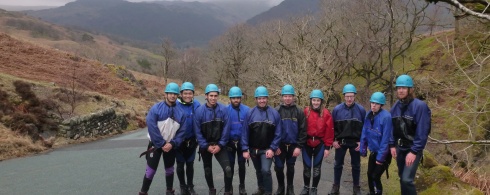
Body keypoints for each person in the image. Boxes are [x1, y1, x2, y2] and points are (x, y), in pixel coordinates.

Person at [139, 82, 187, 195]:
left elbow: (182, 132)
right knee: (150, 171)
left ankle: (169, 190)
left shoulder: (181, 113)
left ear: (177, 95)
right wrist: (162, 143)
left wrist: (172, 144)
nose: (172, 96)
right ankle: (143, 192)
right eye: (170, 93)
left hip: (171, 146)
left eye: (175, 94)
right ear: (166, 94)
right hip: (155, 145)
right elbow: (152, 126)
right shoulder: (156, 109)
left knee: (169, 169)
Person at [389, 75, 431, 195]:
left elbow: (422, 131)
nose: (400, 90)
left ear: (410, 89)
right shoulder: (396, 106)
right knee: (402, 178)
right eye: (398, 88)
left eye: (403, 88)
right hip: (399, 148)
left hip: (412, 148)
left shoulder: (419, 106)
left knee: (407, 179)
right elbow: (391, 127)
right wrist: (391, 145)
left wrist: (413, 151)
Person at [242, 86, 282, 195]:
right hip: (253, 149)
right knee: (258, 171)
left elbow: (278, 133)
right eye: (259, 98)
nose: (262, 100)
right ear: (255, 99)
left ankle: (268, 192)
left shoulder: (274, 113)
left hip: (267, 150)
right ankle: (261, 188)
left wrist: (273, 148)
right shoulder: (250, 113)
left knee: (265, 170)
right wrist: (245, 149)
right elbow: (245, 132)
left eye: (264, 98)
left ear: (267, 99)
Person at [194, 84, 233, 195]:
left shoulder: (224, 110)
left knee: (228, 169)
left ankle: (227, 192)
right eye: (211, 95)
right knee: (207, 170)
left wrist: (220, 145)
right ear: (206, 96)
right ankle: (212, 189)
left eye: (215, 95)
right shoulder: (199, 112)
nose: (213, 98)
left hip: (220, 145)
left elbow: (226, 129)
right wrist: (206, 146)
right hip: (206, 146)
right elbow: (197, 132)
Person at [329, 84, 366, 195]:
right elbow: (332, 127)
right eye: (347, 96)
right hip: (341, 142)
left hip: (356, 143)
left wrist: (362, 142)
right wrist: (333, 140)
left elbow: (365, 127)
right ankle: (336, 187)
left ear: (355, 96)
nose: (349, 98)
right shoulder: (337, 110)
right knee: (337, 165)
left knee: (356, 165)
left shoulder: (361, 110)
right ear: (344, 96)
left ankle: (356, 188)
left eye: (351, 96)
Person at [273, 84, 306, 195]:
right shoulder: (276, 111)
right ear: (282, 97)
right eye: (285, 96)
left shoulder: (299, 111)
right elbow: (271, 130)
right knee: (279, 167)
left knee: (290, 167)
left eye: (290, 96)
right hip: (280, 145)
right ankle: (281, 187)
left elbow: (303, 130)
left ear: (293, 97)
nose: (288, 98)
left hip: (293, 145)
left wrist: (299, 147)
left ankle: (290, 188)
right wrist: (275, 146)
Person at [300, 89, 334, 195]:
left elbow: (329, 131)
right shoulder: (305, 111)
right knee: (307, 167)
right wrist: (299, 143)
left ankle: (314, 188)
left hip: (320, 144)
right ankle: (306, 187)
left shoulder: (326, 113)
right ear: (311, 101)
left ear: (321, 101)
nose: (316, 102)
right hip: (307, 143)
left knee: (316, 168)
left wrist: (327, 147)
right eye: (314, 100)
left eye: (318, 100)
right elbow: (300, 127)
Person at [360, 92, 393, 195]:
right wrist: (363, 149)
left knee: (375, 176)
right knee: (369, 174)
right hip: (373, 151)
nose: (374, 105)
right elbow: (364, 132)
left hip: (384, 154)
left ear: (381, 105)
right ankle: (371, 192)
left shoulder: (386, 117)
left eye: (377, 104)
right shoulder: (368, 115)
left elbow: (386, 139)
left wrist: (380, 158)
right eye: (372, 103)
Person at [175, 82, 201, 195]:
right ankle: (182, 186)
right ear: (181, 94)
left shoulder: (197, 105)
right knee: (180, 165)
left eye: (190, 93)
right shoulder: (175, 105)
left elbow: (201, 121)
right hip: (178, 141)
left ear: (193, 94)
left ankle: (190, 186)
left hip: (192, 140)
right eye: (185, 93)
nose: (187, 96)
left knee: (190, 164)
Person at [226, 86, 250, 195]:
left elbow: (250, 128)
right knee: (229, 166)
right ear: (230, 98)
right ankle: (229, 186)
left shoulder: (247, 110)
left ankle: (242, 186)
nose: (236, 100)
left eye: (238, 98)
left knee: (241, 165)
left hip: (242, 142)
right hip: (230, 142)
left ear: (241, 98)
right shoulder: (225, 110)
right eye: (233, 98)